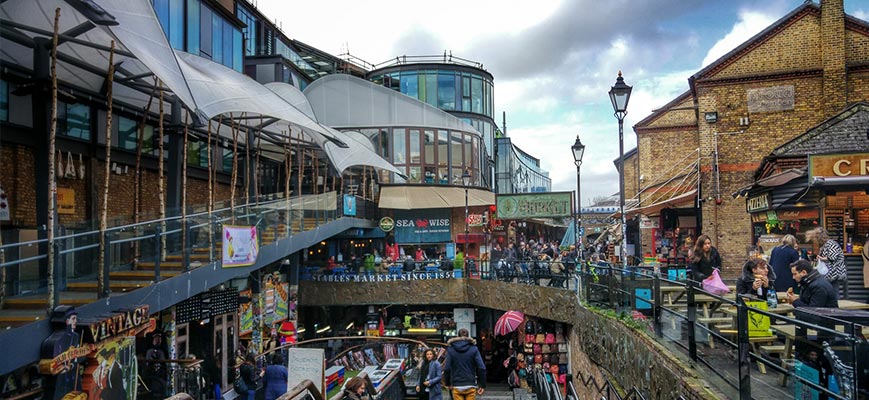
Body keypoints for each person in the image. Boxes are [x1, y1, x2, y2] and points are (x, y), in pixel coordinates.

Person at [443, 328, 486, 400]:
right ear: (468, 336)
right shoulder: (474, 349)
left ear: (458, 336)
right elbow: (481, 367)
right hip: (470, 383)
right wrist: (483, 385)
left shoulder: (451, 349)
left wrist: (448, 383)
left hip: (456, 384)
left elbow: (447, 368)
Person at [807, 227, 846, 292]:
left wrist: (820, 258)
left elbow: (832, 257)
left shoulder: (831, 244)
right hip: (830, 273)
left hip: (834, 273)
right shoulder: (826, 244)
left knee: (833, 291)